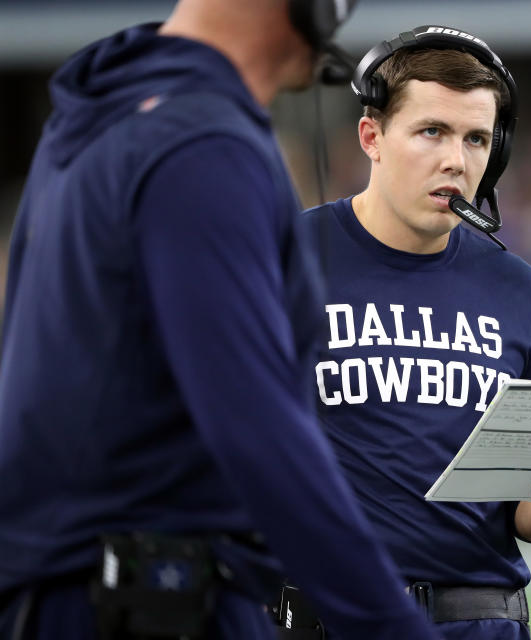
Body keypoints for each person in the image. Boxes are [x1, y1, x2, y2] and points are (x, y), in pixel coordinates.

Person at [0, 1, 442, 639]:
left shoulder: (105, 111)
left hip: (68, 596)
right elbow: (259, 431)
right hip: (156, 601)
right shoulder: (200, 143)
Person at [300, 25, 531, 640]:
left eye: (476, 139)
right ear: (372, 136)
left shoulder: (520, 289)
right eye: (431, 132)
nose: (457, 160)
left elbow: (525, 512)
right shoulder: (282, 256)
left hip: (479, 623)